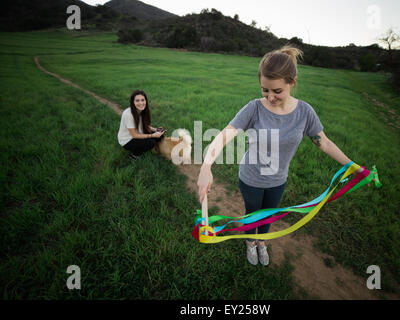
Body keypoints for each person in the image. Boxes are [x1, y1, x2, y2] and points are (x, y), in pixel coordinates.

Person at [197, 46, 364, 266]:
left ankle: (262, 241)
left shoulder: (305, 113)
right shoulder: (254, 108)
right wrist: (205, 167)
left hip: (278, 180)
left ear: (292, 82)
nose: (270, 97)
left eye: (277, 91)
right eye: (265, 90)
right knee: (253, 213)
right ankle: (250, 242)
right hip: (251, 178)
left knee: (269, 215)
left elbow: (324, 143)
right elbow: (224, 135)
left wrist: (353, 166)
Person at [117, 90, 166, 159]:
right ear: (133, 102)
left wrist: (156, 130)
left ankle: (156, 149)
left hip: (139, 132)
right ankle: (134, 155)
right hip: (127, 140)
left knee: (160, 136)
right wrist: (152, 135)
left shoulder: (142, 111)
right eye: (137, 101)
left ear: (146, 101)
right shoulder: (129, 114)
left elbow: (145, 125)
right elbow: (134, 135)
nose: (141, 103)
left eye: (143, 100)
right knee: (151, 142)